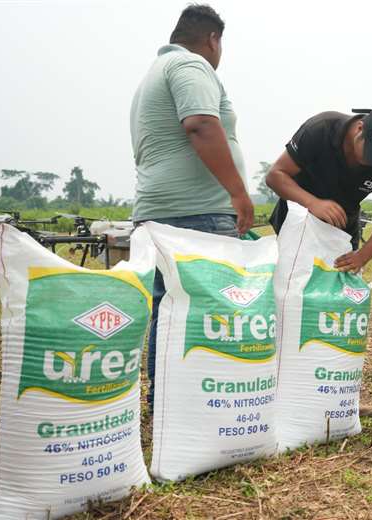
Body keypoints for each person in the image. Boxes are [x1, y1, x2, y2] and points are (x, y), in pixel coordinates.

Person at [130, 4, 254, 412]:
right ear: (213, 39)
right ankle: (203, 402)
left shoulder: (154, 74)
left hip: (158, 213)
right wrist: (238, 193)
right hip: (196, 213)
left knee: (167, 310)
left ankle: (165, 403)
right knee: (209, 307)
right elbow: (201, 123)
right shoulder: (192, 67)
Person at [266, 104, 372, 273]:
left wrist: (362, 256)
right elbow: (275, 175)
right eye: (371, 152)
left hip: (342, 232)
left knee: (335, 295)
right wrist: (312, 203)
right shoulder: (321, 129)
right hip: (297, 223)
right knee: (291, 285)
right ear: (360, 128)